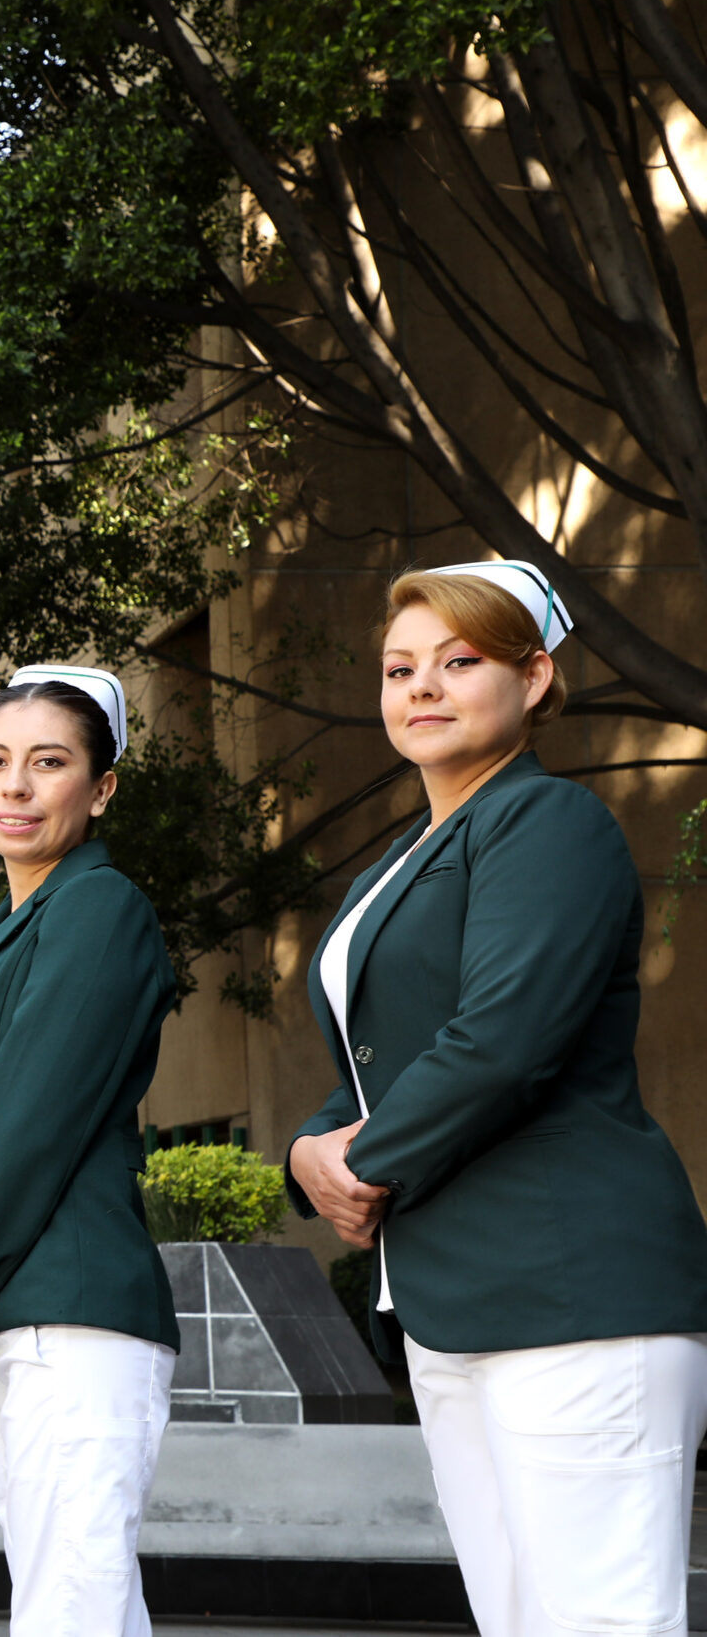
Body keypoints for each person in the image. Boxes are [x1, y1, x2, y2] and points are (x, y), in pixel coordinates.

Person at [287, 561, 707, 1637]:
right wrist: (308, 1150)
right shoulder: (397, 861)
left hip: (570, 1290)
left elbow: (503, 1040)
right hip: (450, 1292)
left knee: (602, 1618)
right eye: (399, 667)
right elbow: (378, 1059)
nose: (422, 686)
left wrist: (363, 1160)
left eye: (459, 661)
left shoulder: (548, 821)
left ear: (534, 678)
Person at [0, 665, 180, 1637]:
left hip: (73, 1314)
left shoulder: (98, 908)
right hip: (18, 1318)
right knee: (74, 1603)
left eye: (47, 762)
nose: (11, 786)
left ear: (100, 789)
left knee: (72, 1608)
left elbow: (25, 1130)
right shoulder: (5, 929)